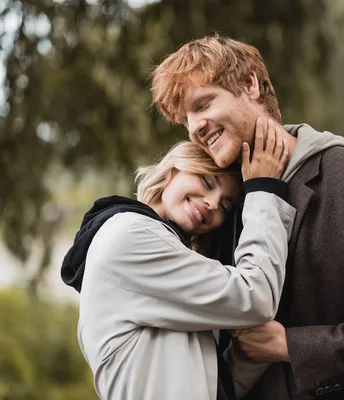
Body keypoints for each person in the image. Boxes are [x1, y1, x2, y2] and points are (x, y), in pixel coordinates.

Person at [151, 34, 344, 400]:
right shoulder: (220, 209)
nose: (194, 127)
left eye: (204, 103)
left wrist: (291, 346)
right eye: (186, 119)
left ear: (250, 85)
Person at [60, 123, 295, 400]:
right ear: (174, 169)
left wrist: (249, 355)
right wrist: (264, 191)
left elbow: (204, 386)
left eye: (224, 206)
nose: (211, 203)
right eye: (208, 182)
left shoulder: (162, 258)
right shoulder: (130, 237)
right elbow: (255, 296)